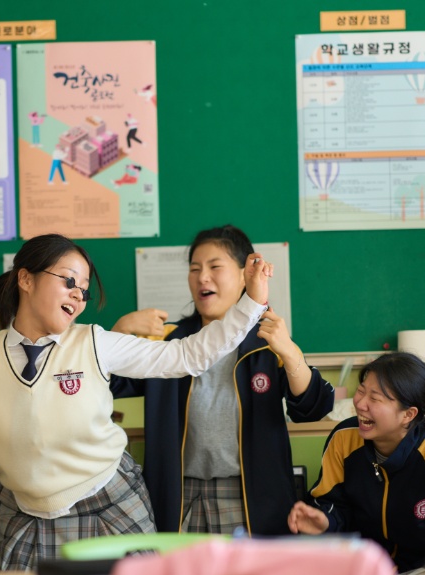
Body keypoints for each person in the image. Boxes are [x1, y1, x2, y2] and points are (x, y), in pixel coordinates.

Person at [0, 233, 272, 570]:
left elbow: (188, 356)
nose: (77, 296)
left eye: (83, 289)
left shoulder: (94, 342)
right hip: (24, 511)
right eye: (68, 281)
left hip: (109, 500)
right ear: (25, 279)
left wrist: (250, 305)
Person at [111, 225, 334, 536]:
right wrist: (120, 333)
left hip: (249, 498)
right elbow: (109, 386)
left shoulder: (266, 341)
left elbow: (312, 408)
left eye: (215, 267)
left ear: (245, 276)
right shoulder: (167, 342)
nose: (203, 277)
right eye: (194, 269)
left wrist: (292, 354)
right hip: (178, 497)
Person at [288, 352, 425, 573]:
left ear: (408, 414)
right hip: (360, 571)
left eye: (375, 398)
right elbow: (332, 504)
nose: (361, 404)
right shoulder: (343, 438)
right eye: (361, 390)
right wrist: (324, 521)